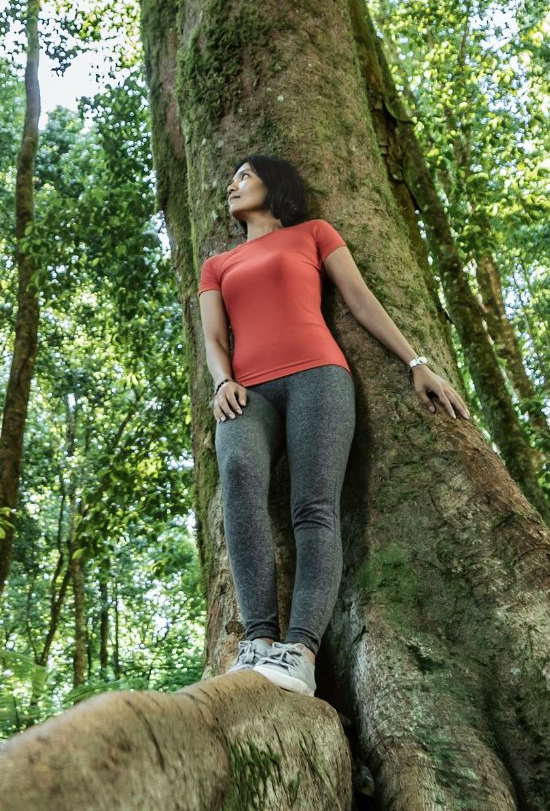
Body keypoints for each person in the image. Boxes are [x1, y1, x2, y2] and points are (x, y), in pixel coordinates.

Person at [197, 155, 468, 698]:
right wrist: (222, 381)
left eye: (245, 175)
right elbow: (213, 338)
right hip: (248, 392)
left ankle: (299, 652)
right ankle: (257, 643)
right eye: (233, 178)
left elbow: (360, 300)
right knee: (241, 483)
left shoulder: (314, 234)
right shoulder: (217, 265)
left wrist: (417, 364)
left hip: (319, 378)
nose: (232, 184)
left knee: (314, 507)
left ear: (275, 185)